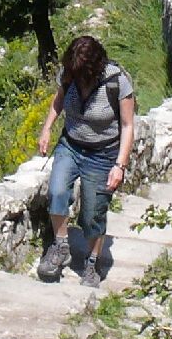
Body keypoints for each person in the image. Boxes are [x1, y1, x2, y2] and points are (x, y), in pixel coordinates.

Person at [35, 35, 137, 288]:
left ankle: (92, 262)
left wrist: (120, 165)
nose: (78, 78)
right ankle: (61, 247)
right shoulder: (69, 73)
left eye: (83, 74)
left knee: (92, 213)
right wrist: (47, 128)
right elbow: (58, 100)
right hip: (71, 145)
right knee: (57, 191)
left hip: (103, 154)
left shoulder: (117, 81)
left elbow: (127, 125)